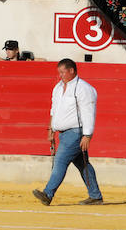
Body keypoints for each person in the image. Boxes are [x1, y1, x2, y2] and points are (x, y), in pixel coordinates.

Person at [33, 58, 102, 206]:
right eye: (59, 73)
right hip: (63, 133)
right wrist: (51, 129)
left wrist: (87, 135)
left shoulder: (83, 88)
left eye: (63, 72)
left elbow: (88, 112)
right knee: (83, 164)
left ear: (71, 70)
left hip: (76, 133)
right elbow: (54, 110)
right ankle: (95, 196)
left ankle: (48, 193)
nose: (60, 76)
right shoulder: (58, 88)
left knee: (60, 161)